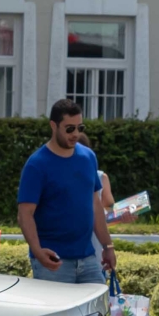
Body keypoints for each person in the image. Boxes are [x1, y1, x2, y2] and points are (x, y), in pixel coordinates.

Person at [17, 98, 116, 284]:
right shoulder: (37, 164)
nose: (75, 134)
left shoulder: (88, 157)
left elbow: (96, 206)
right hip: (53, 261)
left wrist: (108, 246)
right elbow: (24, 214)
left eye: (80, 128)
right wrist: (38, 251)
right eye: (69, 128)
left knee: (98, 313)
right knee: (58, 314)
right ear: (53, 126)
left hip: (88, 259)